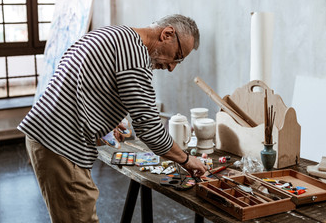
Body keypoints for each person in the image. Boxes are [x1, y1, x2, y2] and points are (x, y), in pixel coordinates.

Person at [18, 14, 207, 223]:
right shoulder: (135, 56)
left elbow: (81, 82)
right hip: (62, 145)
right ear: (167, 34)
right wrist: (187, 159)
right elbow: (150, 129)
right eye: (177, 56)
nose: (172, 67)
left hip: (45, 136)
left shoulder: (115, 34)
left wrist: (104, 119)